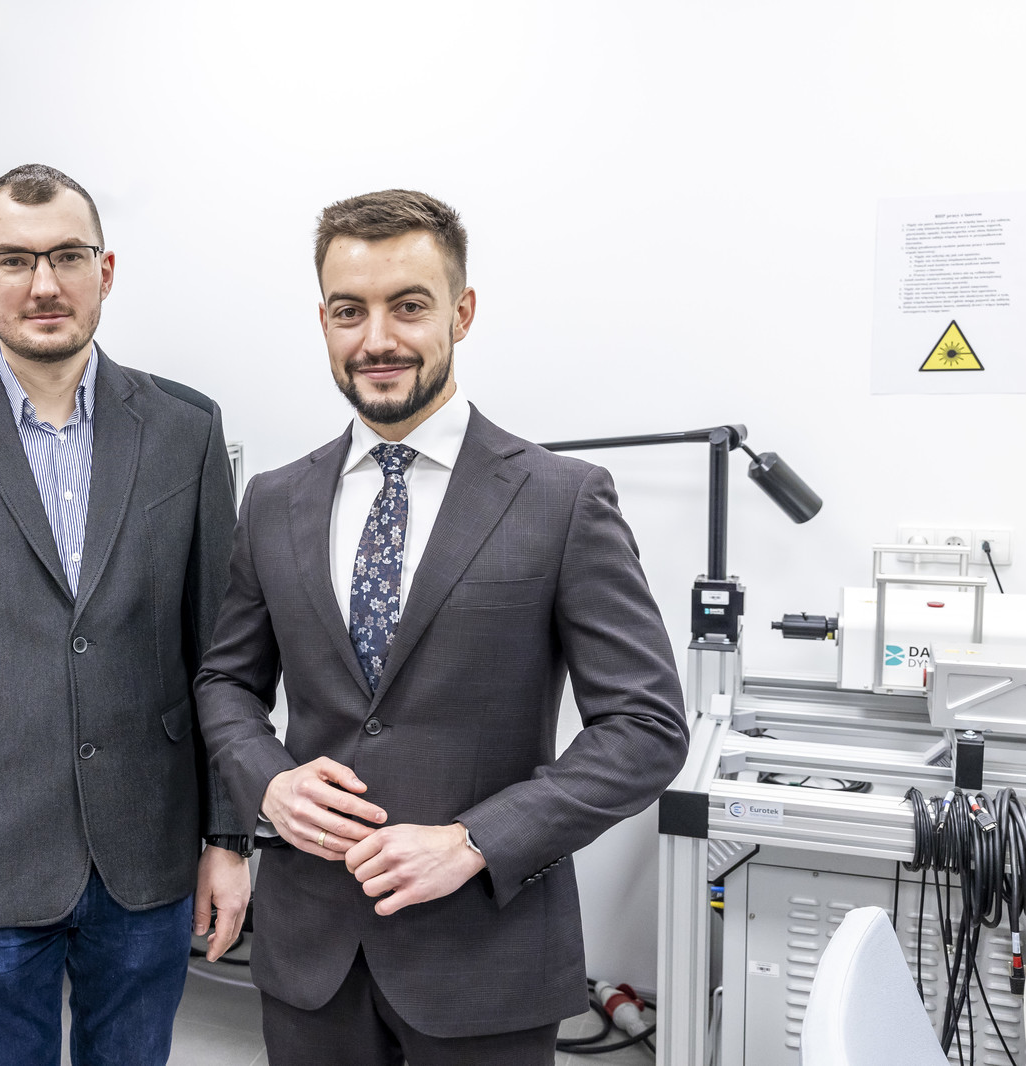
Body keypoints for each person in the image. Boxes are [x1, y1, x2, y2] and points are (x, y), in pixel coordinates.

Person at [194, 188, 688, 1065]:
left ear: (461, 313)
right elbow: (227, 681)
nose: (377, 338)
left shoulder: (561, 500)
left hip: (486, 957)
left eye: (409, 306)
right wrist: (267, 783)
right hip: (311, 958)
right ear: (323, 321)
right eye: (350, 311)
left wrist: (475, 841)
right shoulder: (273, 500)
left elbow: (645, 727)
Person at [0, 163, 251, 1066]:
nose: (43, 284)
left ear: (106, 270)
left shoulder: (185, 428)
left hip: (147, 852)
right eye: (14, 260)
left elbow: (221, 660)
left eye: (68, 255)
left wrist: (228, 838)